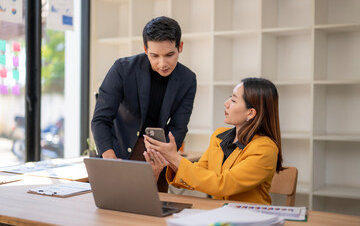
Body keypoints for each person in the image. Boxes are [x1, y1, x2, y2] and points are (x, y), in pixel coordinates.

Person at [91, 16, 197, 192]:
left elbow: (179, 126)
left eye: (170, 55)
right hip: (118, 152)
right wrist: (109, 157)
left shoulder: (187, 79)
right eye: (154, 55)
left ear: (180, 47)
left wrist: (167, 155)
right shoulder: (122, 69)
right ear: (145, 49)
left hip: (158, 155)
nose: (162, 64)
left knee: (154, 213)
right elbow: (100, 119)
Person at [144, 77, 283, 204]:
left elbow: (223, 184)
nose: (226, 103)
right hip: (218, 214)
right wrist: (170, 160)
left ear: (251, 113)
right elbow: (199, 172)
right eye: (230, 98)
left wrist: (175, 158)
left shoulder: (265, 149)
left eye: (233, 100)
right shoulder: (219, 136)